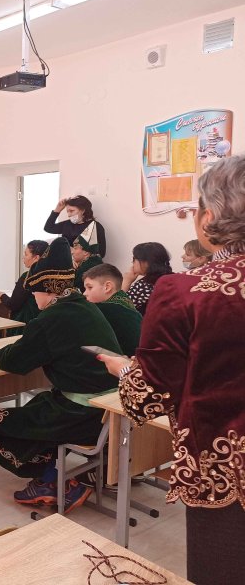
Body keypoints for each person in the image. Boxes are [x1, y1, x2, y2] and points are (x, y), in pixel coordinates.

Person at [97, 155, 245, 585]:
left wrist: (124, 369)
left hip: (222, 471)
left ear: (208, 218)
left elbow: (145, 397)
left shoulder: (186, 291)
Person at [0, 237, 122, 513]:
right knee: (38, 406)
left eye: (35, 292)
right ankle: (53, 475)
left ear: (48, 291)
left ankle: (53, 483)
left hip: (80, 413)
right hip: (109, 410)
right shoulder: (86, 307)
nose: (34, 297)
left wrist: (0, 352)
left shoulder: (50, 318)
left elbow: (12, 361)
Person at [82, 263, 142, 357]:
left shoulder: (103, 311)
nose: (84, 293)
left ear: (107, 287)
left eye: (90, 287)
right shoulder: (125, 304)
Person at [0, 240, 48, 327]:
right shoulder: (51, 275)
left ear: (36, 258)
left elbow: (13, 304)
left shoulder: (28, 277)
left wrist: (1, 295)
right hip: (45, 323)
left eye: (26, 254)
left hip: (26, 325)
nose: (23, 258)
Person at [122, 241, 172, 315]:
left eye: (134, 259)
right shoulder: (172, 278)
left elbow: (120, 308)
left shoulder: (145, 285)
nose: (132, 262)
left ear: (146, 262)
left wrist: (126, 281)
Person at [70, 222, 103, 292]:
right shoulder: (92, 261)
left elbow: (72, 288)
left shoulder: (88, 269)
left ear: (86, 252)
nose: (72, 252)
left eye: (75, 248)